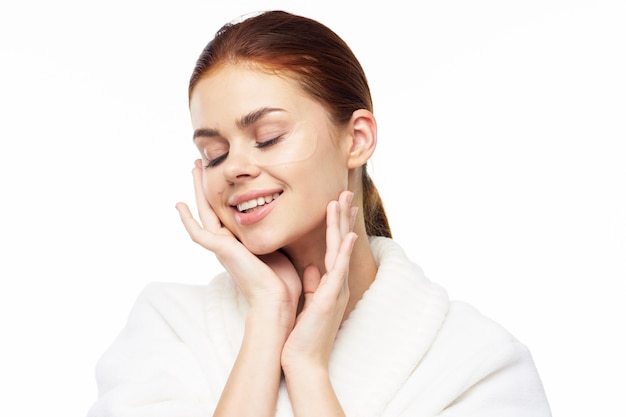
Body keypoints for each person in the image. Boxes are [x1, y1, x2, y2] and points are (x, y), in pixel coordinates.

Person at [87, 10, 552, 417]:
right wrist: (269, 316)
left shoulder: (474, 363)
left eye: (267, 137)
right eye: (214, 153)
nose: (235, 169)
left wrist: (308, 371)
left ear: (357, 139)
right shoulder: (168, 329)